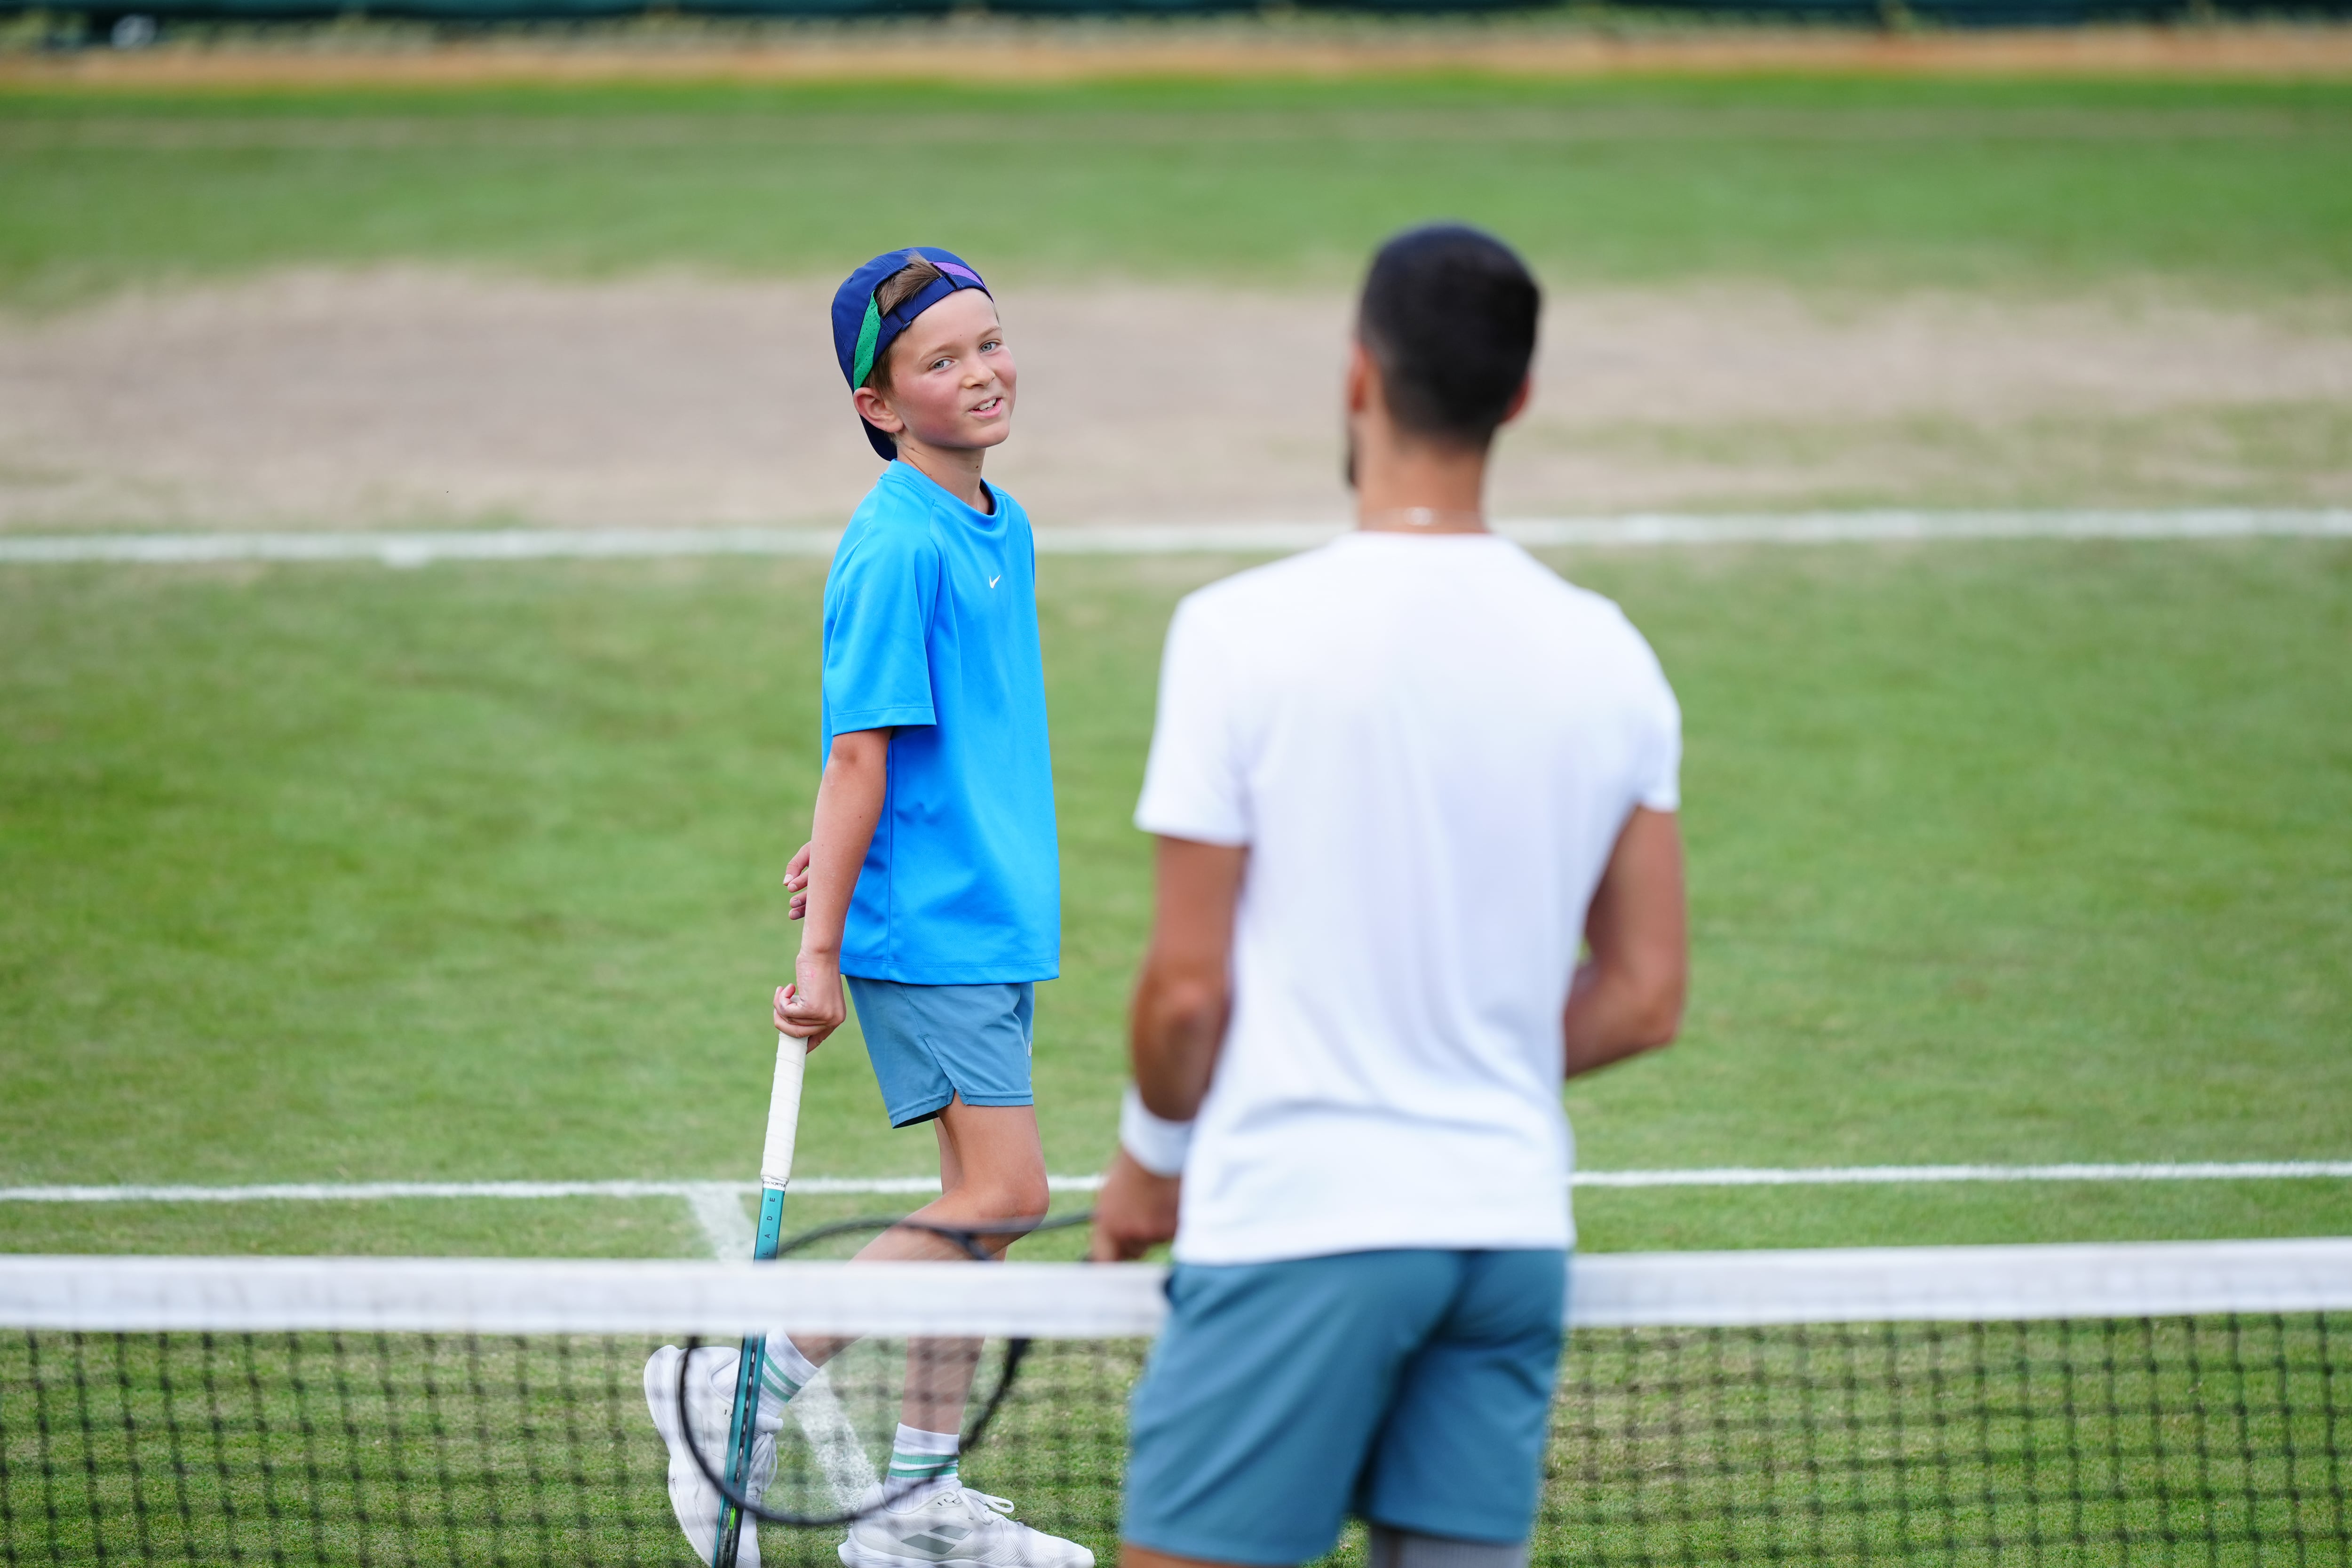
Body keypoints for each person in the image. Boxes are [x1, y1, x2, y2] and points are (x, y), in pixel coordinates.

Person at [1091, 224, 1690, 1568]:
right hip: (1506, 1238)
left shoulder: (1239, 636)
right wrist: (1452, 1055)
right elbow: (1647, 997)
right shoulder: (1609, 655)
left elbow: (1188, 991)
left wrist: (1148, 1165)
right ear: (1519, 398)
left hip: (1305, 1228)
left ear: (1357, 377)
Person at [646, 247, 1089, 1568]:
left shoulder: (996, 519)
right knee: (1007, 1194)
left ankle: (915, 1509)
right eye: (939, 361)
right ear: (880, 405)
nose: (980, 373)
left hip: (992, 906)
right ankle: (736, 1387)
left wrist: (849, 848)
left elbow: (905, 752)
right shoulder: (895, 545)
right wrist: (823, 947)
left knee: (974, 1213)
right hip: (935, 927)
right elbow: (856, 749)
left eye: (989, 343)